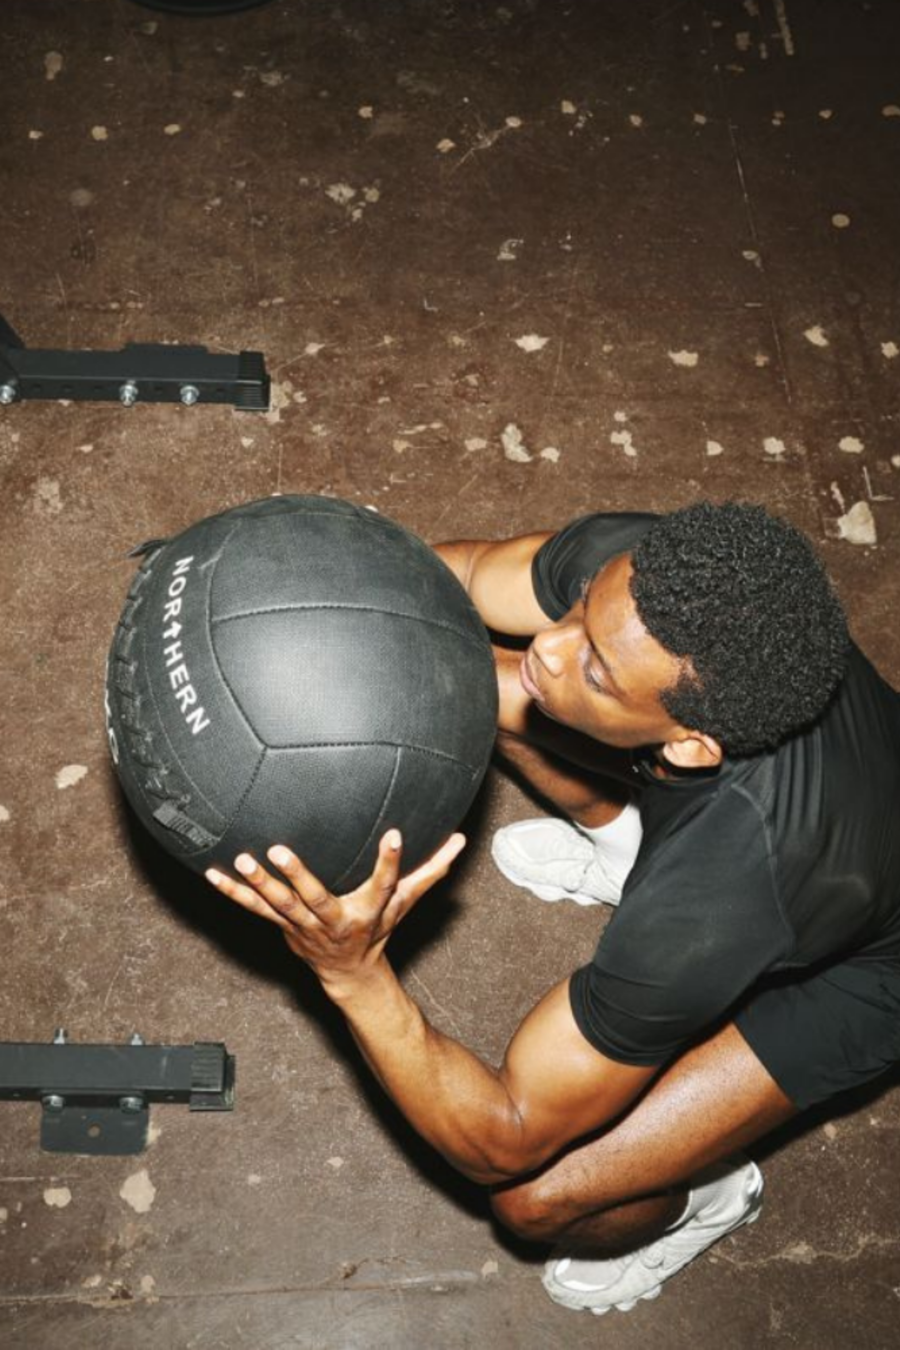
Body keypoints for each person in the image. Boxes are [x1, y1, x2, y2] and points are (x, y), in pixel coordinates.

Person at [204, 501, 900, 1316]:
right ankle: (623, 849)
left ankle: (708, 1198)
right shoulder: (649, 579)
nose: (550, 647)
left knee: (537, 1200)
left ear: (687, 745)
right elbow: (446, 581)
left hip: (863, 966)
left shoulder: (719, 903)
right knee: (457, 680)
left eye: (597, 669)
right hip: (814, 809)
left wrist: (354, 974)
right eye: (578, 612)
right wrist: (338, 607)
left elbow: (504, 1134)